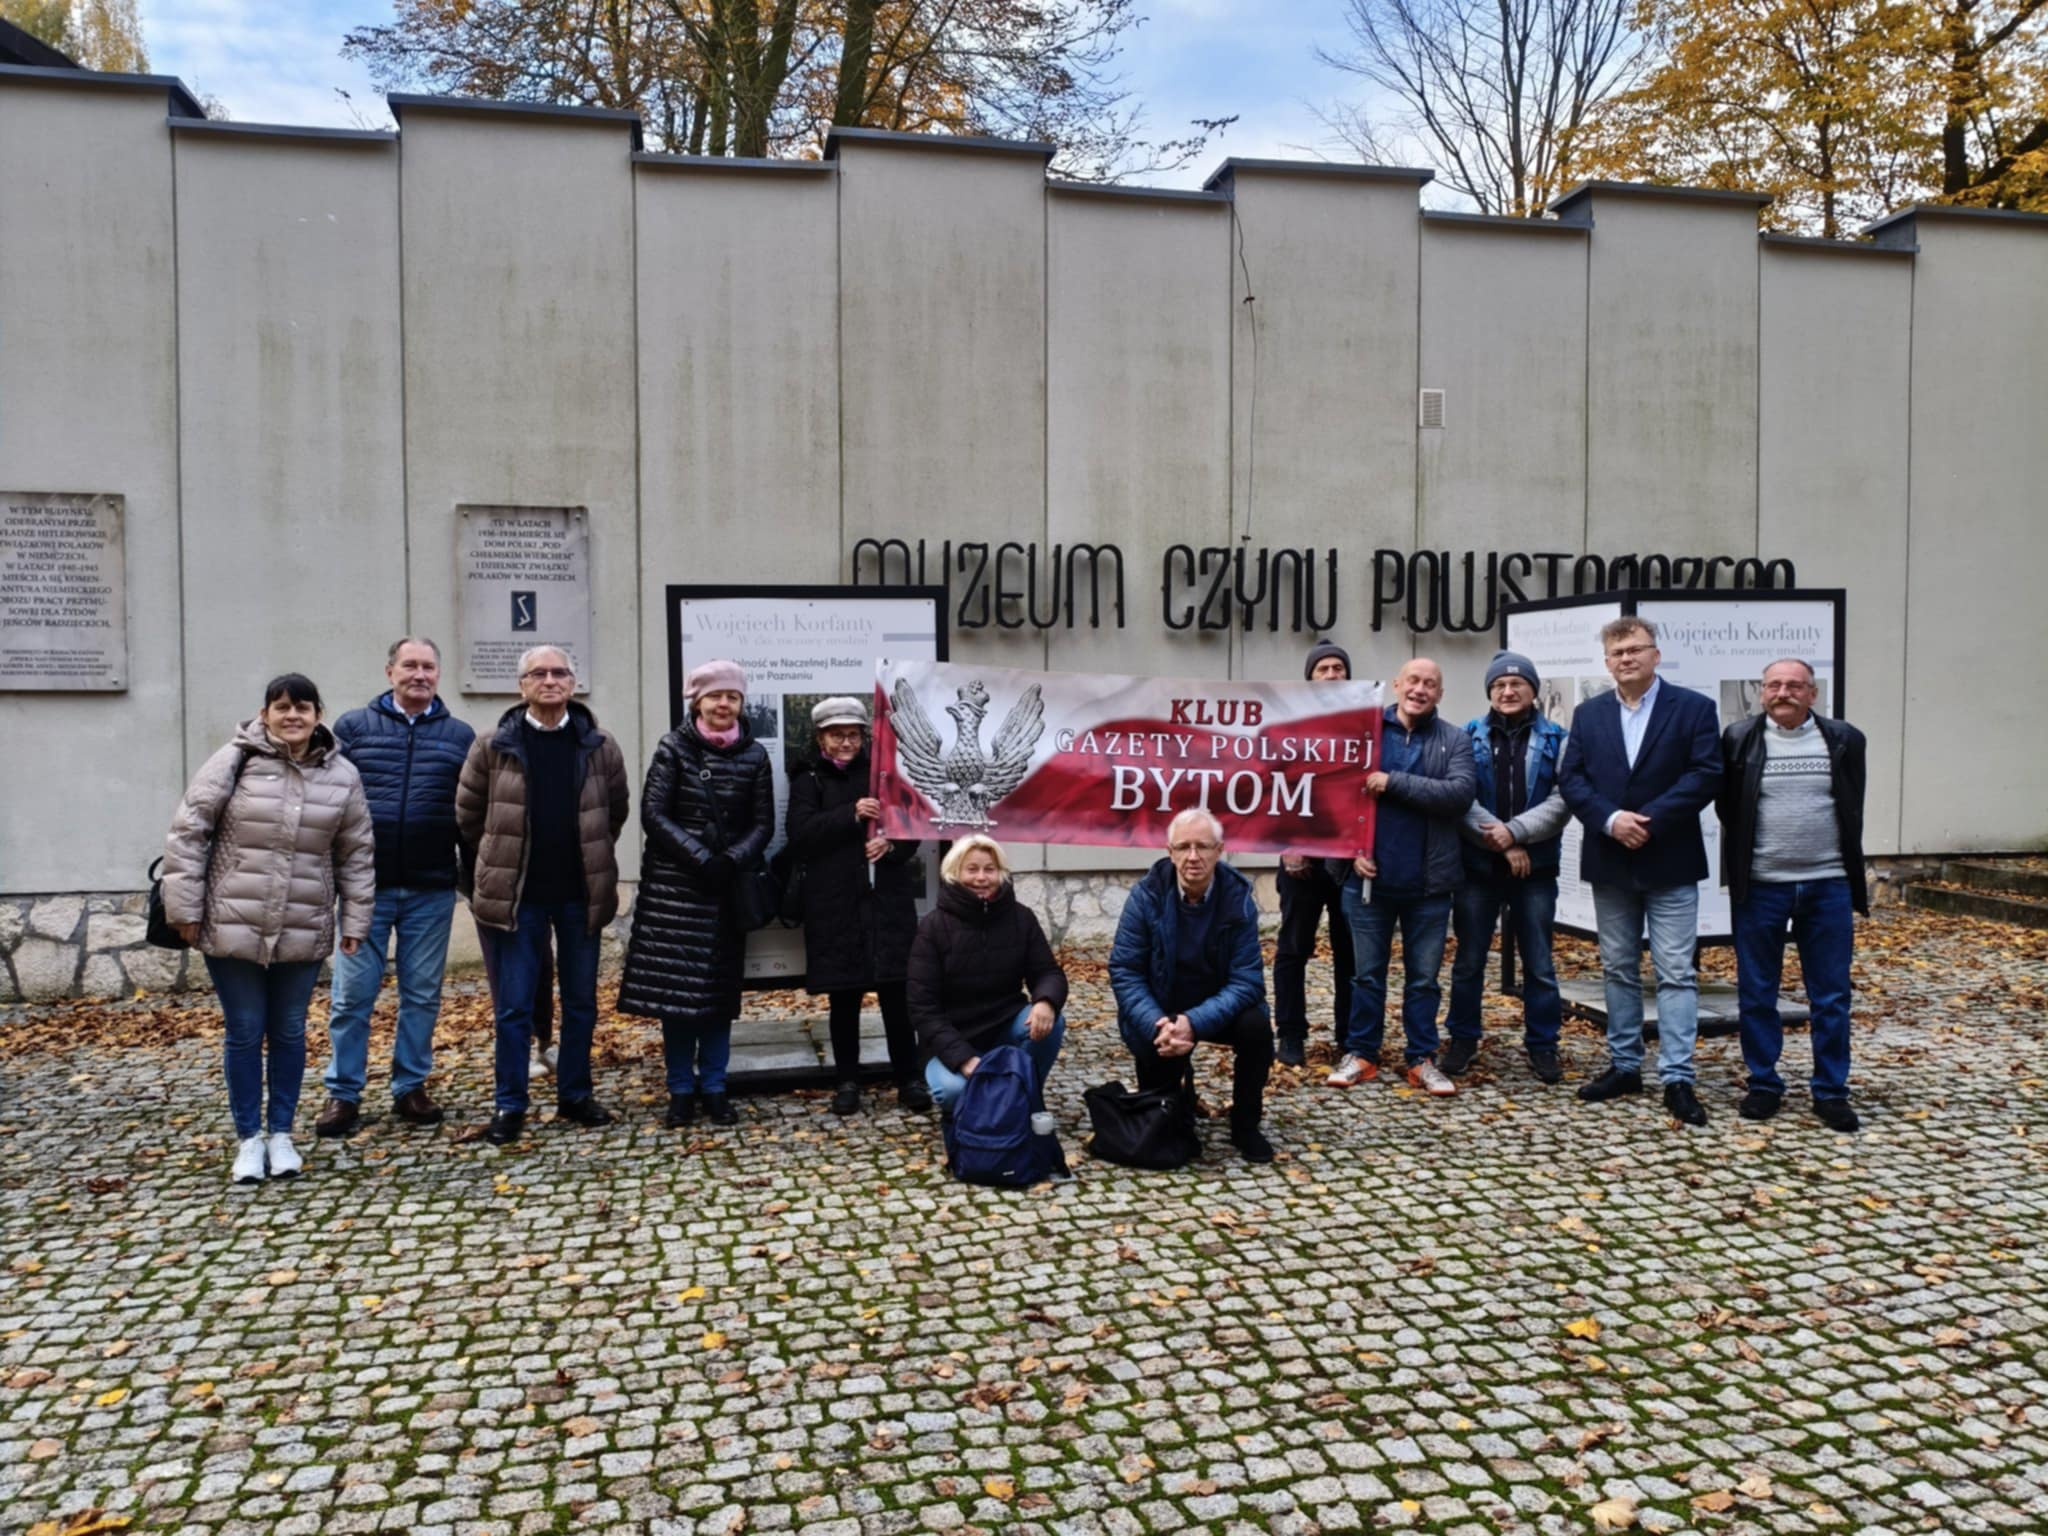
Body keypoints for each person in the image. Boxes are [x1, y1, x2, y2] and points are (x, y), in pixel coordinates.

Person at [162, 673, 375, 1185]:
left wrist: (356, 919)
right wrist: (185, 910)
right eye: (282, 707)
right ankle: (249, 1139)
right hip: (232, 921)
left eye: (303, 707)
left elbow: (356, 852)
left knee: (289, 1030)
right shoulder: (234, 760)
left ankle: (281, 1134)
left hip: (303, 923)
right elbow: (189, 832)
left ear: (318, 715)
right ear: (265, 715)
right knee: (244, 1030)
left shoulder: (342, 774)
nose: (292, 716)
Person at [455, 645, 630, 1145]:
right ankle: (510, 1104)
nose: (550, 681)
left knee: (581, 1003)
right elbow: (468, 816)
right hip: (518, 899)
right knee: (514, 1007)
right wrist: (499, 859)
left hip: (580, 895)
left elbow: (614, 812)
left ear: (573, 683)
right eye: (539, 673)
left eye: (559, 673)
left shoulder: (600, 745)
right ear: (522, 685)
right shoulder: (493, 745)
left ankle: (575, 1094)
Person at [1557, 617, 1722, 1126]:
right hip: (1611, 858)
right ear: (1607, 662)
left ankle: (1677, 1077)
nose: (1626, 659)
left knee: (1676, 972)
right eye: (1617, 653)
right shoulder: (1589, 713)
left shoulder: (1693, 708)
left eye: (1635, 649)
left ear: (1656, 655)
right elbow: (1572, 778)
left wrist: (1648, 820)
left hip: (1669, 856)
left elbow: (1706, 773)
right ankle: (1625, 1065)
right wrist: (1611, 820)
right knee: (1618, 968)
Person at [315, 637, 475, 1137]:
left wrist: (471, 877)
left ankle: (411, 1087)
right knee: (352, 996)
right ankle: (343, 1093)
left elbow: (470, 812)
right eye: (410, 665)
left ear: (439, 675)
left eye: (428, 666)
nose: (419, 674)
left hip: (431, 886)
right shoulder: (353, 729)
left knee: (422, 995)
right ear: (390, 672)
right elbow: (328, 799)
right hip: (366, 889)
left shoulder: (459, 736)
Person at [617, 660, 774, 1128]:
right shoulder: (674, 748)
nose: (724, 704)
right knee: (678, 998)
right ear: (697, 700)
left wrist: (731, 859)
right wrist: (702, 858)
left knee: (720, 999)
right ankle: (681, 1090)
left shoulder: (755, 756)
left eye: (733, 697)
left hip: (726, 891)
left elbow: (763, 822)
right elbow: (653, 814)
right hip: (677, 891)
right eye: (715, 696)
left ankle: (716, 1087)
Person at [1718, 659, 1867, 1132]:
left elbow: (1851, 803)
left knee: (1831, 995)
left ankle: (1831, 1091)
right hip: (1761, 885)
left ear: (1813, 693)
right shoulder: (1738, 739)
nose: (1784, 692)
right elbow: (1728, 807)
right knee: (1757, 992)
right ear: (1762, 691)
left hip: (1828, 883)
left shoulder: (1844, 739)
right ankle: (1764, 1084)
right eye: (1775, 685)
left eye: (1795, 685)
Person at [1326, 657, 1476, 1099]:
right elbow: (1335, 795)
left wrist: (1393, 782)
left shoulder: (1454, 739)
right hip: (1367, 881)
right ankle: (1362, 1054)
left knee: (1423, 980)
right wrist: (1351, 851)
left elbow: (1459, 795)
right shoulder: (1365, 732)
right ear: (1396, 684)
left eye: (1430, 683)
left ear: (1440, 694)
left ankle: (1421, 1059)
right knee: (1366, 977)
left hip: (1429, 885)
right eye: (1413, 680)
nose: (1419, 689)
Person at [784, 696, 930, 1116]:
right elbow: (800, 833)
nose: (846, 742)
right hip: (836, 904)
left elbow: (911, 826)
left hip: (886, 901)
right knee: (844, 997)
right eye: (837, 735)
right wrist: (850, 813)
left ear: (865, 737)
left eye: (853, 734)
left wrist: (892, 844)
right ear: (821, 739)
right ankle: (847, 1081)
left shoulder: (884, 775)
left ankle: (909, 1077)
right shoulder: (809, 778)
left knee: (896, 994)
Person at [1110, 808, 1277, 1162]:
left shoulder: (1238, 899)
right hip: (1161, 1009)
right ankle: (1177, 1104)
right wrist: (1159, 1023)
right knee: (1169, 1127)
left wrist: (1194, 1021)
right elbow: (1125, 971)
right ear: (1169, 852)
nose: (1193, 856)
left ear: (1220, 851)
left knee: (1256, 1027)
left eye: (1203, 846)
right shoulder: (1146, 896)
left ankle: (1245, 1124)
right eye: (1183, 847)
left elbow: (1247, 981)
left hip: (1216, 1007)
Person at [1445, 651, 1570, 1084]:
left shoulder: (1557, 739)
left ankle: (1543, 1044)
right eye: (1499, 684)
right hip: (1478, 869)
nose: (1507, 691)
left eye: (1517, 683)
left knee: (1539, 963)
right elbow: (1461, 797)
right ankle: (1462, 1039)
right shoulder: (1468, 736)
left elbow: (1563, 799)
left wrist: (1515, 834)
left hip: (1535, 870)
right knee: (1469, 960)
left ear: (1533, 690)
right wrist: (1500, 843)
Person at [907, 835, 1067, 1116]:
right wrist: (963, 1059)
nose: (981, 878)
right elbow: (922, 1007)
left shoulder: (1022, 918)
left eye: (989, 869)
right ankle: (975, 1119)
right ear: (955, 873)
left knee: (1052, 1022)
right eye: (972, 869)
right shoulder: (933, 928)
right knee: (954, 1090)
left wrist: (1045, 1001)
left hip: (1005, 1026)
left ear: (1000, 873)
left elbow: (1047, 972)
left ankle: (1023, 1099)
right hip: (952, 1039)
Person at [1273, 639, 1358, 1067]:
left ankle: (1349, 1035)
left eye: (1337, 668)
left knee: (1351, 952)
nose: (1331, 675)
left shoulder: (1363, 723)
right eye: (1322, 669)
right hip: (1300, 861)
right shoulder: (1288, 724)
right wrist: (1287, 843)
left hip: (1347, 861)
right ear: (1309, 678)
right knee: (1293, 949)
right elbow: (1270, 788)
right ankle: (1290, 1033)